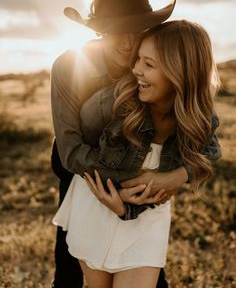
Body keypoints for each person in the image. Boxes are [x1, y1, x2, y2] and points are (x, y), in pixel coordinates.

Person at [53, 20, 221, 288]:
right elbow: (72, 153)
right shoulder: (110, 104)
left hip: (147, 220)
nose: (135, 70)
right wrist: (117, 195)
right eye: (138, 60)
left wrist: (177, 176)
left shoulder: (197, 117)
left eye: (148, 64)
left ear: (180, 72)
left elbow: (211, 152)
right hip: (97, 206)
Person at [51, 0, 180, 288]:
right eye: (116, 29)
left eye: (138, 29)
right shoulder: (70, 65)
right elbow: (70, 151)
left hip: (139, 176)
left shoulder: (152, 63)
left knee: (142, 262)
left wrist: (165, 179)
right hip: (81, 173)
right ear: (99, 30)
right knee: (71, 263)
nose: (129, 41)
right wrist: (120, 187)